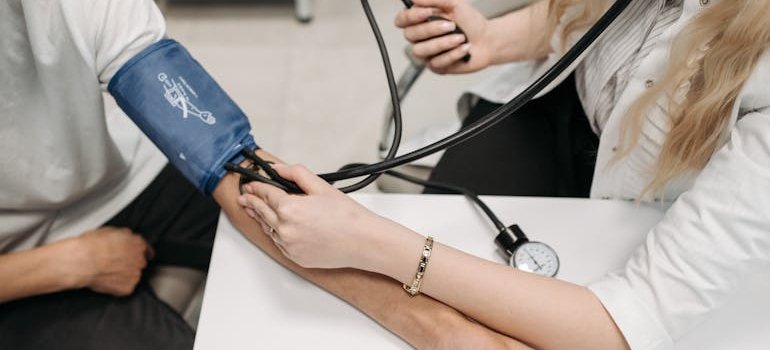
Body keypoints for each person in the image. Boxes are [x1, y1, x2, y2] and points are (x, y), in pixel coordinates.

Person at [0, 1, 538, 349]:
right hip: (20, 260)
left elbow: (224, 156)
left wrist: (440, 328)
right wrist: (68, 264)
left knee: (283, 218)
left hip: (122, 178)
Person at [237, 0, 770, 349]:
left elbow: (624, 325)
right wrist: (494, 39)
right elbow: (601, 15)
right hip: (554, 113)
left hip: (643, 211)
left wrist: (365, 239)